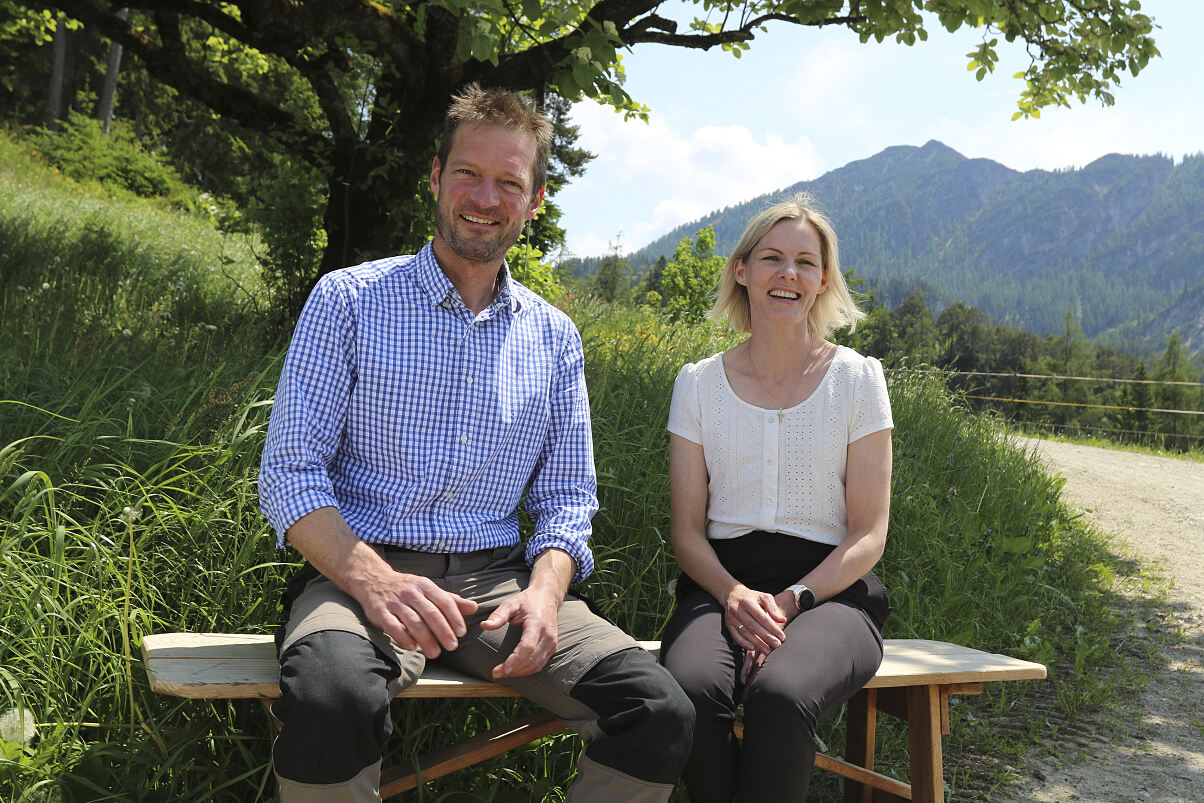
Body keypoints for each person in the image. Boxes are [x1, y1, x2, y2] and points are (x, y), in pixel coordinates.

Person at [259, 83, 693, 803]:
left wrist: (547, 595)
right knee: (331, 702)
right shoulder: (349, 300)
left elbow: (567, 498)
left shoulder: (554, 338)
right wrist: (377, 581)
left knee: (658, 711)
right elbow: (290, 472)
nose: (485, 198)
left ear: (536, 200)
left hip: (498, 583)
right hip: (354, 569)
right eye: (468, 174)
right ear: (435, 177)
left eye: (509, 183)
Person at [659, 197, 893, 801]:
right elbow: (686, 530)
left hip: (830, 594)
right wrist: (734, 595)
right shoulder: (698, 384)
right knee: (688, 691)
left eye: (805, 263)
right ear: (743, 270)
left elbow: (869, 534)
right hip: (719, 590)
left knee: (782, 695)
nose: (788, 274)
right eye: (772, 258)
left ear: (822, 281)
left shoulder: (858, 381)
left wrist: (791, 603)